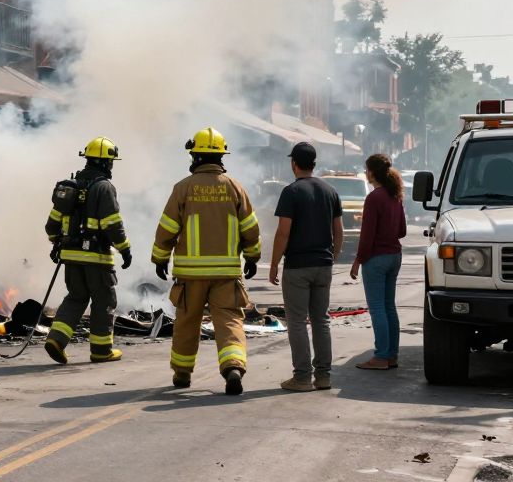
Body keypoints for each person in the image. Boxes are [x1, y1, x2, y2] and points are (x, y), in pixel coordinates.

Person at [150, 128, 261, 395]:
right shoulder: (235, 188)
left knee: (187, 323)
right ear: (221, 156)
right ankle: (233, 366)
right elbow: (251, 228)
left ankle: (182, 373)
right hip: (226, 274)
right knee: (229, 321)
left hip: (190, 276)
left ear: (195, 156)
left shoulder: (183, 188)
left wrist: (160, 258)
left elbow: (167, 227)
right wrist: (252, 256)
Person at [44, 136, 132, 365]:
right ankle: (102, 350)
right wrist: (125, 249)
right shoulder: (104, 187)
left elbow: (52, 224)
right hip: (96, 258)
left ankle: (56, 339)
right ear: (105, 163)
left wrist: (56, 243)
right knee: (103, 300)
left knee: (76, 297)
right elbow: (112, 224)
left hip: (70, 255)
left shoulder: (70, 186)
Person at [269, 142, 343, 392]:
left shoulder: (290, 192)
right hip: (323, 265)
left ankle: (301, 378)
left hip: (298, 267)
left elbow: (283, 233)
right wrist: (333, 256)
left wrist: (273, 264)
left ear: (294, 164)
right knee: (321, 321)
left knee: (298, 322)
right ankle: (323, 377)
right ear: (314, 163)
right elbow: (338, 231)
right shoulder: (330, 191)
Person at [351, 153, 407, 370]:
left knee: (377, 308)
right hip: (395, 255)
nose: (366, 173)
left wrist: (358, 260)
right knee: (388, 306)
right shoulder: (395, 195)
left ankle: (381, 356)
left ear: (372, 172)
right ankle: (391, 355)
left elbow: (367, 235)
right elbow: (402, 231)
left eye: (366, 170)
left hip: (377, 258)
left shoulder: (374, 198)